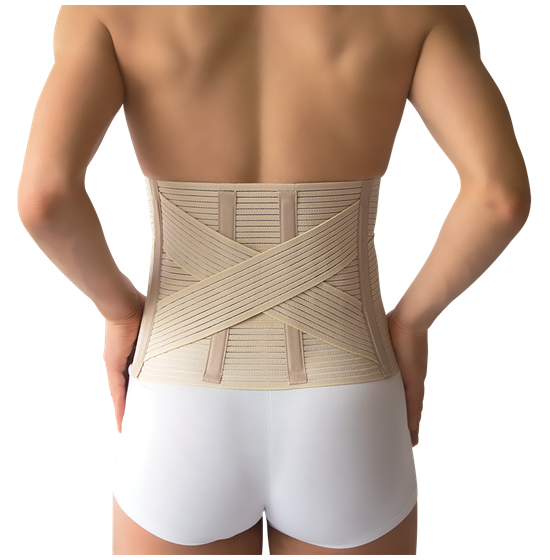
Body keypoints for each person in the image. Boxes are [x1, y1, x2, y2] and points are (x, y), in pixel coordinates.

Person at [18, 5, 530, 556]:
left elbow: (44, 198)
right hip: (348, 397)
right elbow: (499, 198)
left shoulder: (105, 9)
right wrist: (410, 324)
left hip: (178, 398)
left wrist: (119, 310)